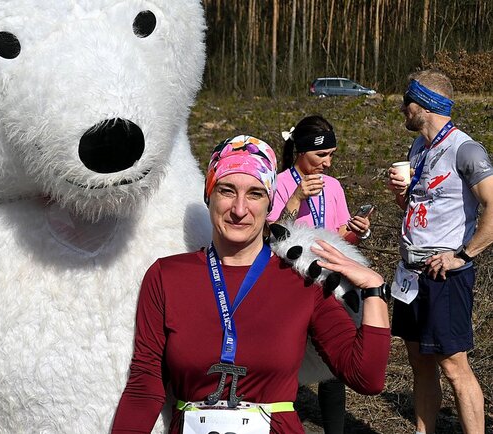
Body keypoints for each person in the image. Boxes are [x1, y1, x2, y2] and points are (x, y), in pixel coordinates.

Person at [113, 135, 391, 433]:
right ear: (208, 195)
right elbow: (145, 386)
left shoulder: (301, 280)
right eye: (227, 190)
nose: (239, 209)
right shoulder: (167, 276)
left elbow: (367, 378)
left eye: (255, 194)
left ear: (270, 202)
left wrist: (374, 288)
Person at [387, 70, 493, 434]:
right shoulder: (419, 147)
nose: (402, 107)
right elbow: (420, 206)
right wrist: (402, 195)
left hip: (444, 274)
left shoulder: (465, 149)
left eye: (407, 100)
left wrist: (463, 255)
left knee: (453, 366)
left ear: (425, 104)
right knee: (420, 361)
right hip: (410, 273)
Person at [267, 115, 373, 433]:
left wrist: (357, 231)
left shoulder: (334, 186)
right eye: (321, 155)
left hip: (329, 285)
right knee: (286, 361)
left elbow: (340, 237)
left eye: (331, 155)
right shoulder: (278, 184)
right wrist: (296, 198)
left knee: (333, 363)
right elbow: (270, 236)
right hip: (289, 286)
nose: (327, 163)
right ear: (300, 151)